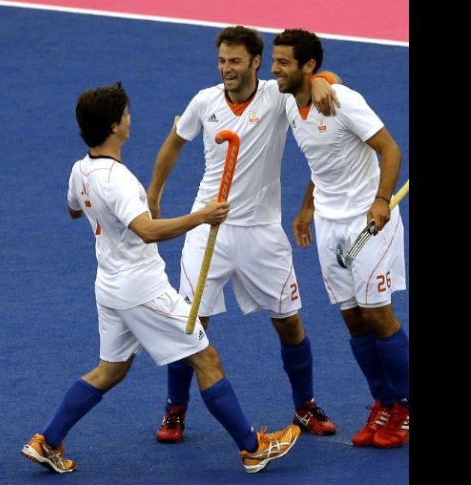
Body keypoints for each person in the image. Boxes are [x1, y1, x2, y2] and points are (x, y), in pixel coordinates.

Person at [21, 82, 300, 475]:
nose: (131, 119)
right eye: (127, 115)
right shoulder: (120, 181)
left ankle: (47, 441)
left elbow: (73, 210)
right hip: (142, 289)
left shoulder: (80, 170)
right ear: (116, 126)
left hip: (110, 288)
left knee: (110, 371)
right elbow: (147, 231)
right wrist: (201, 216)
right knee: (207, 359)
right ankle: (253, 449)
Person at [147, 25, 339, 444]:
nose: (226, 69)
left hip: (262, 234)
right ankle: (174, 411)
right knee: (192, 323)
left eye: (235, 61)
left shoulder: (276, 96)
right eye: (221, 61)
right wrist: (155, 194)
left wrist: (323, 80)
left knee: (289, 322)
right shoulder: (204, 101)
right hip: (207, 227)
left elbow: (317, 81)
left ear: (256, 62)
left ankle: (304, 406)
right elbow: (173, 144)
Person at [271, 29, 409, 448]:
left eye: (282, 63)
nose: (273, 70)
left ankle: (403, 407)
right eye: (274, 61)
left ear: (306, 66)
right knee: (352, 318)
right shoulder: (289, 99)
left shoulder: (343, 101)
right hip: (330, 223)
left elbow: (390, 150)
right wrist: (308, 206)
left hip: (369, 220)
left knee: (377, 312)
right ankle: (382, 402)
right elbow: (321, 160)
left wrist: (382, 200)